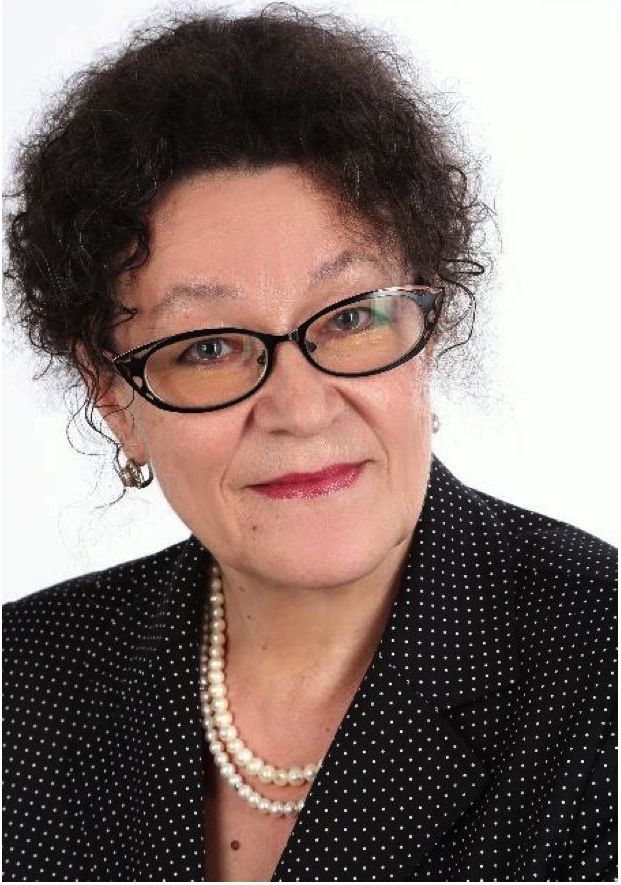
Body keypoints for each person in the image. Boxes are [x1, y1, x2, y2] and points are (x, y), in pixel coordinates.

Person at [2, 5, 616, 882]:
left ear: (428, 328)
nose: (299, 407)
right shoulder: (21, 683)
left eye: (352, 318)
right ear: (111, 391)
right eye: (208, 346)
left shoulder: (600, 669)